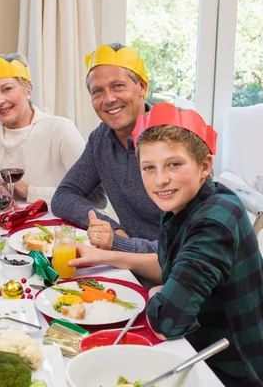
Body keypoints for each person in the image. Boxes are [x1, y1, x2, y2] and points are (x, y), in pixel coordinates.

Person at [69, 103, 263, 386]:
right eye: (149, 167)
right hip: (196, 348)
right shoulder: (189, 201)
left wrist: (158, 293)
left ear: (205, 166)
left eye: (174, 164)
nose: (160, 180)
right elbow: (167, 263)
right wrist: (103, 255)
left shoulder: (214, 222)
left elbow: (166, 322)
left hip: (228, 371)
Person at [51, 43, 160, 253]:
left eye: (118, 86)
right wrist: (111, 228)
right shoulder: (101, 138)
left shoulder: (175, 138)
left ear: (142, 87)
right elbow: (64, 195)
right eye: (98, 91)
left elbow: (186, 247)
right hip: (127, 260)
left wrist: (120, 243)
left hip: (176, 270)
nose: (108, 99)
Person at [0, 53, 104, 205]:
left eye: (7, 89)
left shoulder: (59, 129)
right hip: (1, 228)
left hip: (57, 228)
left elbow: (96, 198)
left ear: (28, 91)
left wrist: (30, 192)